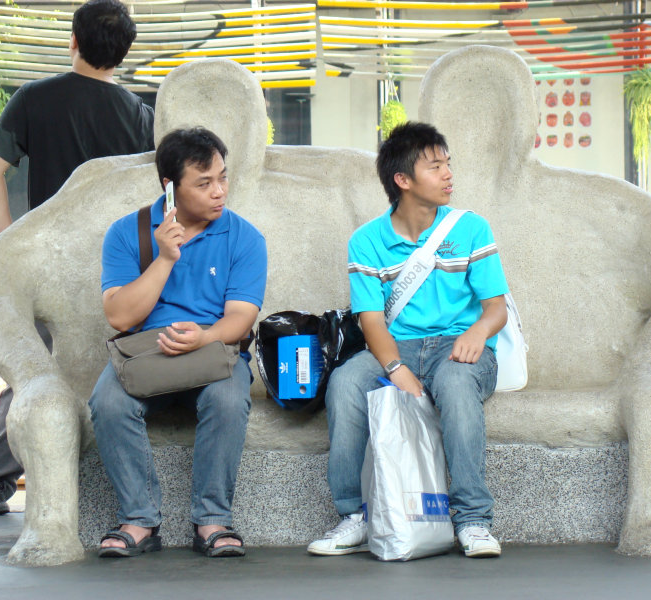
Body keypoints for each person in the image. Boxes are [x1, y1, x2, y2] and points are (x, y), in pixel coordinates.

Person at [0, 0, 154, 517]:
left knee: (35, 371)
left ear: (73, 40)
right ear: (124, 54)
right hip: (123, 272)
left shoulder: (34, 99)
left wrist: (8, 246)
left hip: (49, 265)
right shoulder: (140, 116)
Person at [308, 122, 509, 558]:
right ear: (402, 180)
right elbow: (371, 322)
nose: (448, 174)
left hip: (459, 348)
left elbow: (497, 308)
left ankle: (472, 520)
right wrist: (396, 369)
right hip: (396, 348)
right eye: (436, 167)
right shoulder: (366, 242)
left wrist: (477, 331)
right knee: (345, 383)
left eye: (447, 164)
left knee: (456, 385)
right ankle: (354, 516)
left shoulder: (472, 229)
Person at [89, 127, 266, 558]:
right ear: (170, 187)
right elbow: (119, 315)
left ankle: (212, 521)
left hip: (214, 351)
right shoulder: (128, 232)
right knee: (107, 402)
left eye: (223, 178)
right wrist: (166, 258)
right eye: (204, 183)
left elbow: (242, 317)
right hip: (146, 355)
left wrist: (204, 336)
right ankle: (140, 520)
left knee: (227, 400)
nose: (219, 192)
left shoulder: (244, 237)